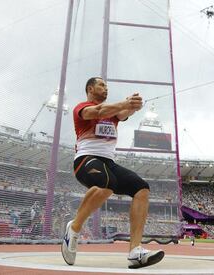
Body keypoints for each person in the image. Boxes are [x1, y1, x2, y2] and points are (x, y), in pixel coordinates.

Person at [61, 77, 164, 268]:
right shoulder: (82, 108)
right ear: (90, 88)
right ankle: (74, 228)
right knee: (107, 183)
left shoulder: (114, 114)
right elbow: (99, 110)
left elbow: (124, 112)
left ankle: (135, 251)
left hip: (108, 163)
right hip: (85, 159)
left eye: (107, 86)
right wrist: (124, 104)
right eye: (101, 85)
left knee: (142, 188)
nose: (106, 89)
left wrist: (133, 104)